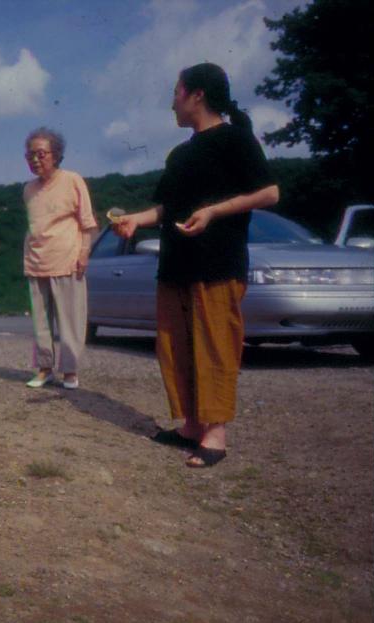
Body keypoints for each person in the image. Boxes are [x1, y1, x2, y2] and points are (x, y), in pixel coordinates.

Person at [113, 63, 280, 467]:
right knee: (175, 347)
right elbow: (167, 206)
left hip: (217, 264)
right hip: (175, 264)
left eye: (176, 92)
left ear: (196, 95)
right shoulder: (182, 153)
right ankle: (190, 425)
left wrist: (213, 212)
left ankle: (215, 434)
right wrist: (137, 219)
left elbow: (269, 193)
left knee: (214, 347)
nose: (172, 101)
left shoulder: (236, 141)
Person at [22, 127, 98, 390]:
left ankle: (70, 371)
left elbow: (87, 223)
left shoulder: (73, 180)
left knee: (71, 321)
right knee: (40, 323)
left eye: (40, 154)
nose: (35, 159)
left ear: (56, 155)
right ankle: (44, 369)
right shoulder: (28, 189)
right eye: (30, 155)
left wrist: (84, 253)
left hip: (67, 260)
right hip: (36, 261)